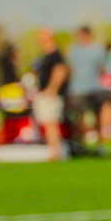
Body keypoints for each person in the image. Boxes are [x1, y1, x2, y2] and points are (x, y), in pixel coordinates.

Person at [67, 25, 108, 150]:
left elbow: (102, 68)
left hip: (93, 88)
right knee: (78, 118)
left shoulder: (98, 50)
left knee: (96, 117)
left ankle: (99, 145)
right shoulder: (75, 50)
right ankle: (80, 144)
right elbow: (70, 68)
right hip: (77, 89)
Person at [32, 28, 70, 162]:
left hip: (51, 95)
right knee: (47, 123)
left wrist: (52, 89)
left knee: (51, 123)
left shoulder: (55, 55)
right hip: (44, 93)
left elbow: (60, 71)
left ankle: (55, 152)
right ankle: (53, 150)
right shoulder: (45, 55)